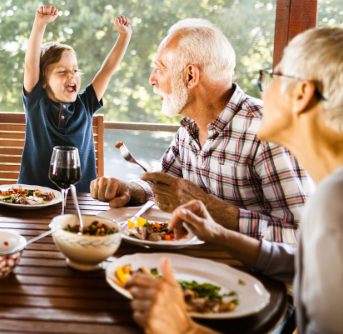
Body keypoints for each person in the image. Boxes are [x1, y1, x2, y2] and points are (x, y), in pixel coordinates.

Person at [126, 27, 343, 334]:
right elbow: (308, 259)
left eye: (271, 78)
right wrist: (220, 233)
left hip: (273, 301)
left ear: (302, 94)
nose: (261, 90)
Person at [91, 19, 312, 244]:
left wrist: (213, 210)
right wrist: (129, 190)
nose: (152, 79)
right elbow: (163, 184)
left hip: (241, 266)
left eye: (160, 68)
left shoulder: (271, 129)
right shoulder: (189, 126)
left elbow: (303, 235)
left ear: (190, 76)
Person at [19, 5, 132, 193]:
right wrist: (40, 24)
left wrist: (124, 36)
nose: (71, 75)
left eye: (75, 70)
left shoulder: (86, 104)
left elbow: (107, 71)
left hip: (81, 198)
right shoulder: (36, 103)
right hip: (34, 197)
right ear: (43, 81)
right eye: (62, 71)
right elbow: (31, 66)